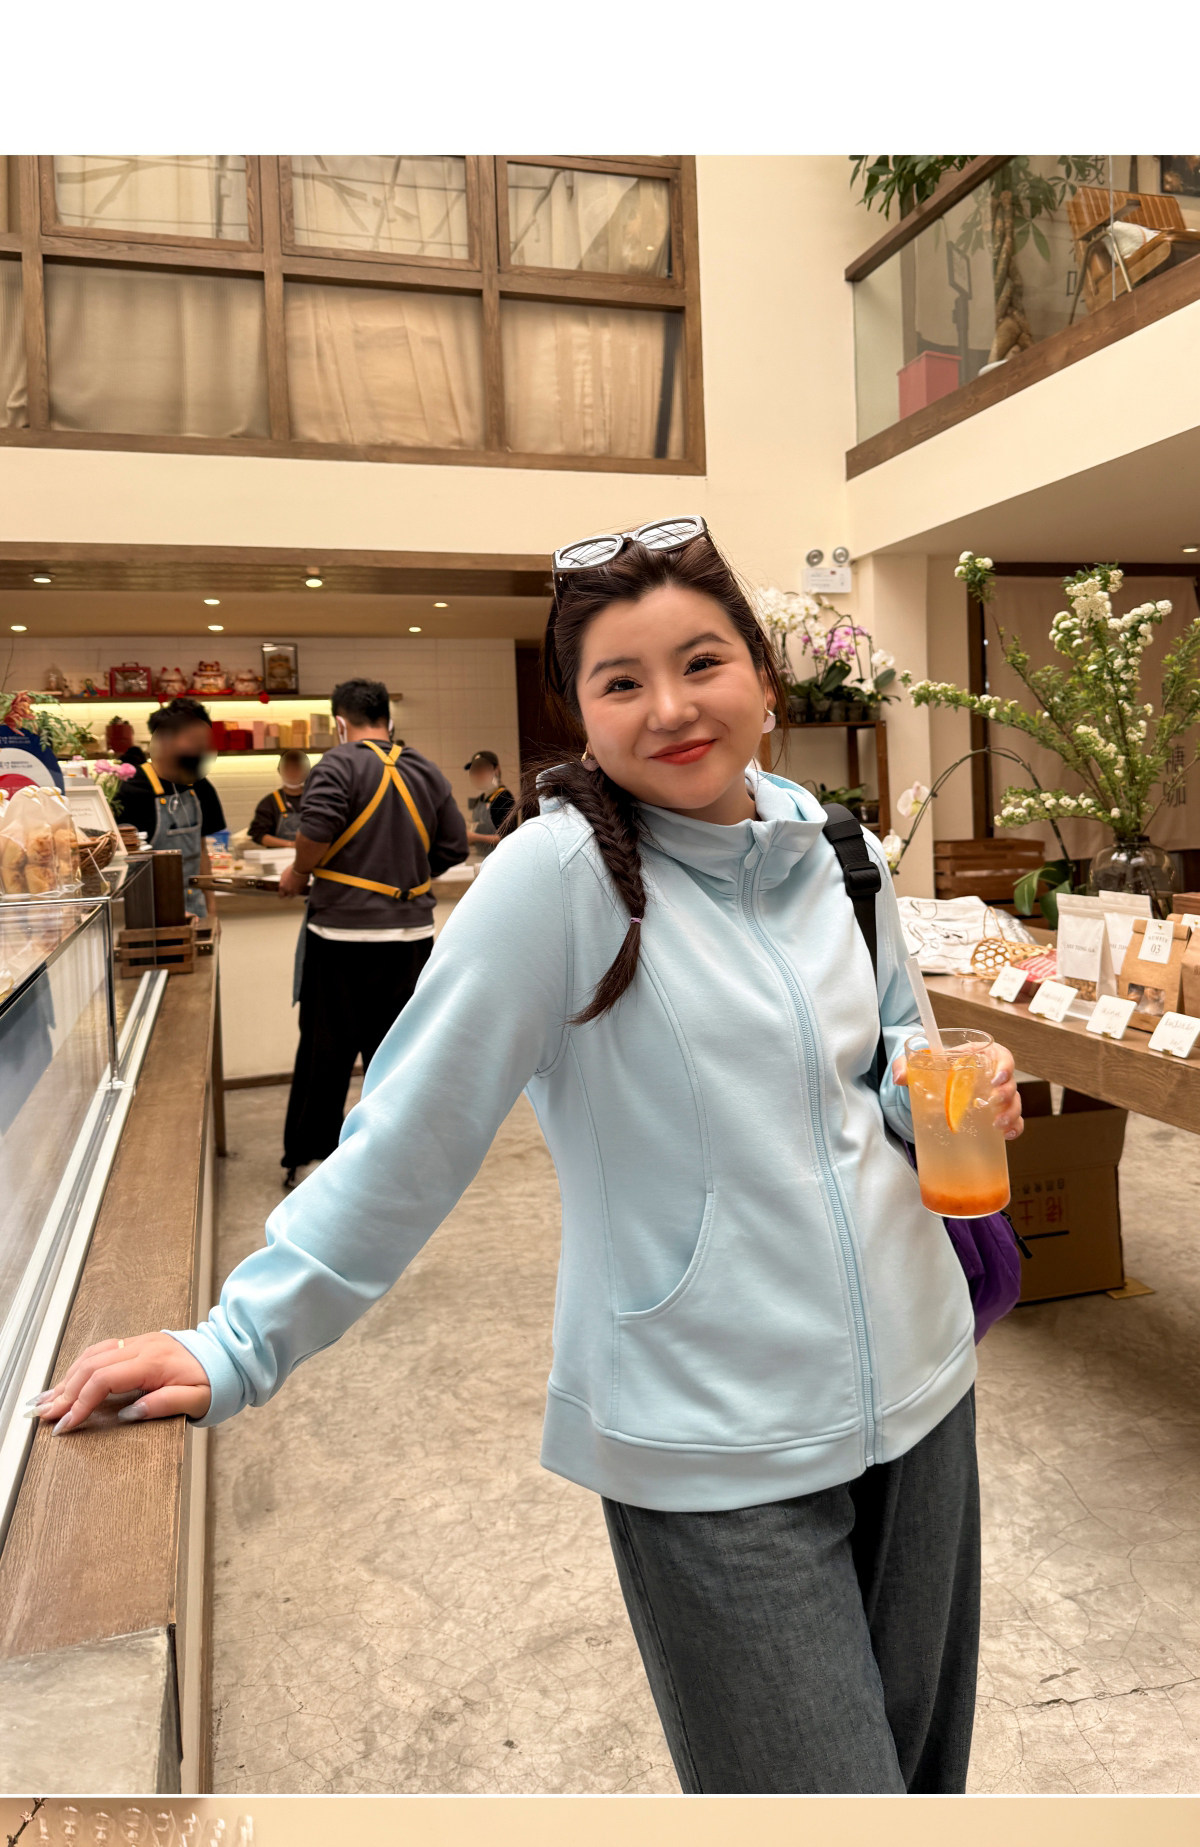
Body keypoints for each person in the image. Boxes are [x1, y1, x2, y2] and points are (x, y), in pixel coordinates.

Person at [33, 518, 1024, 1795]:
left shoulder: (838, 847)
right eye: (622, 680)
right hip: (712, 1447)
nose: (671, 706)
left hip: (927, 1392)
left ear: (762, 675)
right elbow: (407, 1135)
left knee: (926, 1800)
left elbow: (891, 1048)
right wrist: (236, 1340)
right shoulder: (557, 880)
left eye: (702, 661)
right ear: (582, 714)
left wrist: (945, 1086)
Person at [274, 678, 467, 1186]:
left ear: (340, 723)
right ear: (388, 719)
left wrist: (298, 872)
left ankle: (311, 1158)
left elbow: (315, 832)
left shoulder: (337, 764)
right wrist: (403, 874)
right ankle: (396, 1159)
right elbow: (454, 846)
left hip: (339, 937)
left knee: (325, 1052)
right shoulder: (425, 769)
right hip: (410, 940)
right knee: (399, 1056)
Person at [118, 697, 224, 919]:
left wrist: (212, 912)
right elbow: (124, 863)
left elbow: (202, 853)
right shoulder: (131, 790)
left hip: (196, 910)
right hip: (149, 914)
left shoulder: (200, 787)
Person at [248, 750, 311, 846]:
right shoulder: (268, 803)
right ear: (279, 770)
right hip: (279, 853)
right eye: (288, 768)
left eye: (297, 768)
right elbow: (258, 834)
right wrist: (290, 844)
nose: (292, 772)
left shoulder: (316, 799)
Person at [463, 749, 514, 855]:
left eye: (483, 770)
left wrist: (474, 837)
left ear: (496, 770)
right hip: (481, 857)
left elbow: (507, 838)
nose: (478, 775)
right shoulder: (480, 799)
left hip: (499, 857)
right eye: (475, 771)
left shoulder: (504, 798)